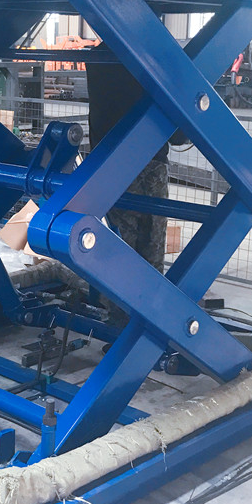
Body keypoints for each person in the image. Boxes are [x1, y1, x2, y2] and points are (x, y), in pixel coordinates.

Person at [85, 43, 184, 323]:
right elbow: (178, 135)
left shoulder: (98, 58)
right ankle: (148, 314)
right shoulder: (155, 56)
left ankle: (119, 315)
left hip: (110, 163)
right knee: (151, 240)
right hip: (150, 163)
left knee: (120, 243)